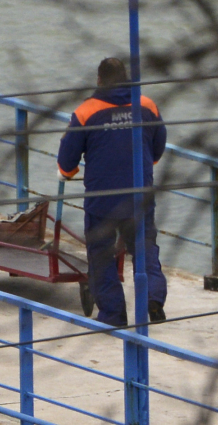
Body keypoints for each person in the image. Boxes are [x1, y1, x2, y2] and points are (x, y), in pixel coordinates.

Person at [57, 57, 168, 326]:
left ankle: (113, 315)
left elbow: (67, 161)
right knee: (145, 249)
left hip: (102, 199)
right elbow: (158, 146)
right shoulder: (146, 105)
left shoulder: (85, 112)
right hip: (140, 194)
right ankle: (153, 300)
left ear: (99, 80)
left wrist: (68, 173)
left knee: (102, 253)